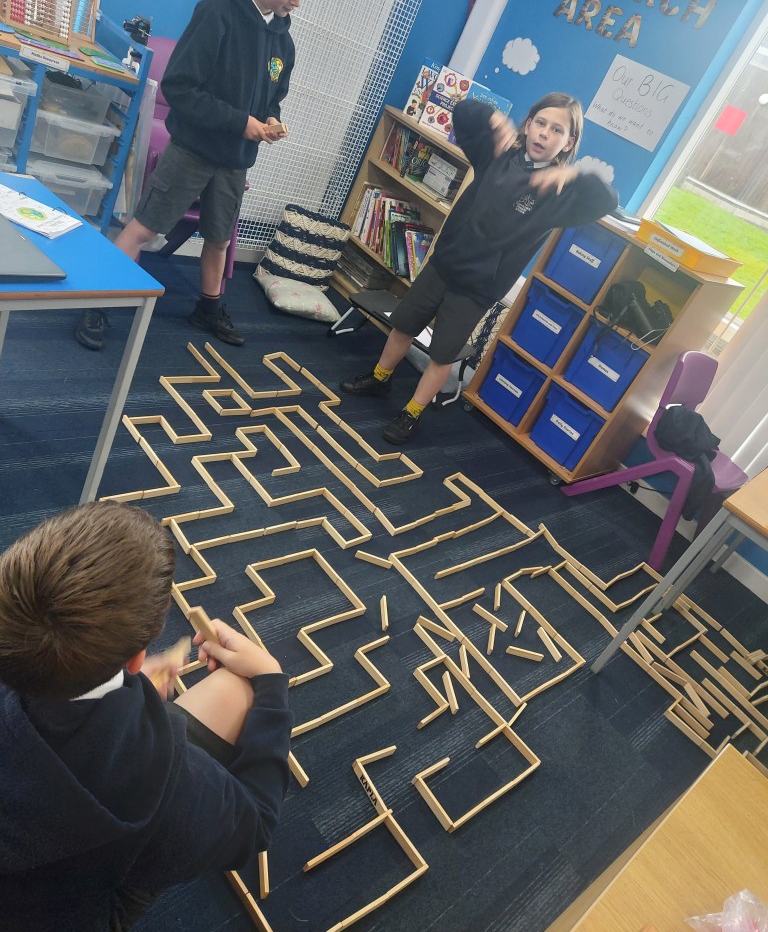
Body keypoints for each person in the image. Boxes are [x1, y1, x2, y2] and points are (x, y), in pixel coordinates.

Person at [0, 501, 292, 932]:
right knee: (236, 691)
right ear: (137, 657)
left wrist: (119, 689)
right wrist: (271, 680)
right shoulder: (166, 786)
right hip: (70, 909)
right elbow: (255, 825)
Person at [75, 0, 316, 352]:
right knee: (143, 228)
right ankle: (97, 302)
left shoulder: (284, 42)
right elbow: (180, 88)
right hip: (193, 150)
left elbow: (273, 97)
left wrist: (269, 119)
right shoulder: (216, 13)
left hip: (235, 158)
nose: (296, 2)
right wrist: (240, 122)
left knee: (220, 239)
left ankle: (208, 307)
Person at [340, 93, 619, 444]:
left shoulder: (560, 195)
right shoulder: (496, 154)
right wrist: (493, 119)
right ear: (528, 124)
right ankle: (380, 378)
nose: (545, 133)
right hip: (443, 265)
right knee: (403, 325)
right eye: (540, 123)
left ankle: (411, 413)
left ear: (568, 142)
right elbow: (462, 111)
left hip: (476, 289)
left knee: (442, 354)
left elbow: (607, 200)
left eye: (557, 130)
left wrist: (573, 176)